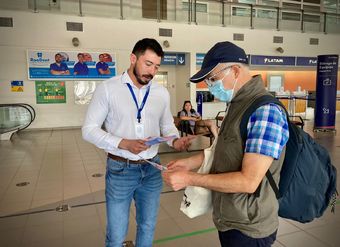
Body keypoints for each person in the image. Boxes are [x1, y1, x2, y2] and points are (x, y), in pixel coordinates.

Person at [163, 41, 289, 247]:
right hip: (230, 217)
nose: (211, 86)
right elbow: (224, 148)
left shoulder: (265, 111)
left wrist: (190, 178)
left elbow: (248, 181)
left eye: (213, 79)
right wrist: (190, 162)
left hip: (249, 225)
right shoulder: (237, 105)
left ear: (236, 71)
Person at [82, 38, 194, 247]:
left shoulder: (161, 92)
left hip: (152, 168)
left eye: (157, 66)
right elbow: (88, 130)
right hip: (120, 170)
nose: (152, 72)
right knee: (116, 235)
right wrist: (123, 143)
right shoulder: (108, 89)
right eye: (148, 64)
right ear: (133, 58)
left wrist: (175, 141)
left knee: (148, 226)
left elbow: (167, 126)